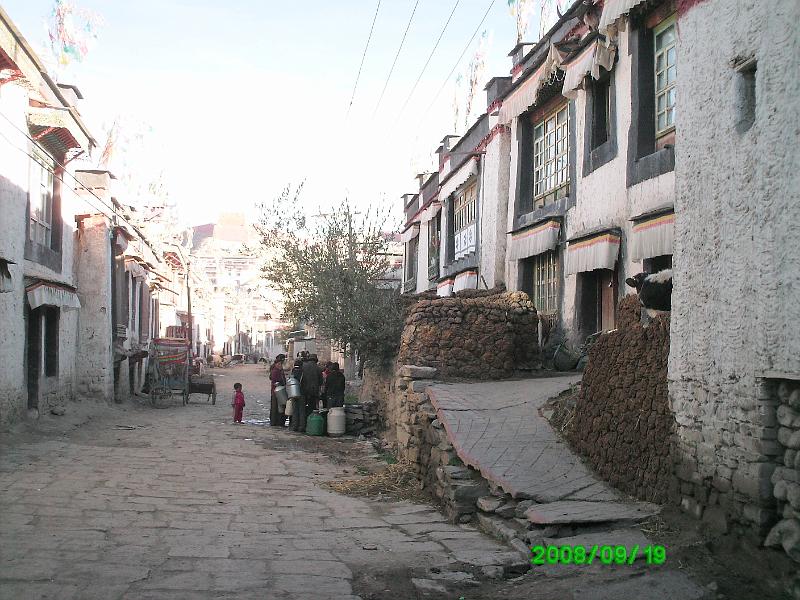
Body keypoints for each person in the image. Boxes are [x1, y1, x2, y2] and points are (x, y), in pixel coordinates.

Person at [299, 354, 322, 431]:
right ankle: (310, 425)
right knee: (312, 409)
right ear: (316, 360)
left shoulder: (303, 366)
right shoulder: (318, 368)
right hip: (313, 392)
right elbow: (321, 382)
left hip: (303, 391)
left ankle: (302, 426)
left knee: (302, 409)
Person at [269, 354, 287, 427]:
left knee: (278, 407)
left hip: (279, 390)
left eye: (281, 364)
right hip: (276, 391)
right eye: (279, 364)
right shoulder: (275, 371)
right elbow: (274, 380)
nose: (280, 365)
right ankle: (274, 421)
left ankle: (277, 421)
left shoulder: (279, 370)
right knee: (275, 407)